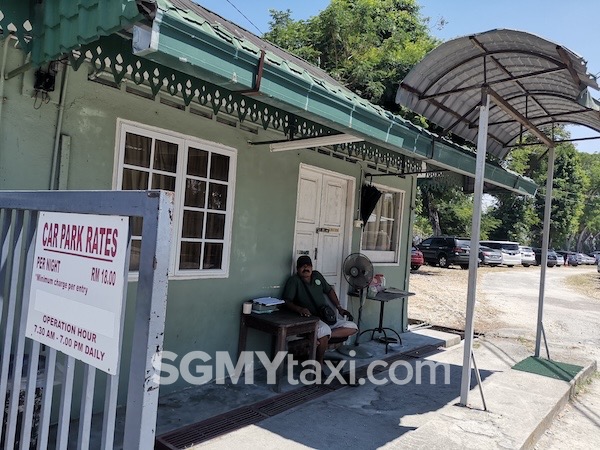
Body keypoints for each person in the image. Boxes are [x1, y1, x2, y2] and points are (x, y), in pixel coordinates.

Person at [282, 255, 358, 365]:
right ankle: (319, 363)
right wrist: (300, 309)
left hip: (326, 316)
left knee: (353, 327)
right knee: (324, 331)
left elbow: (329, 290)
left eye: (308, 266)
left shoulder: (317, 276)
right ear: (297, 269)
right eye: (302, 267)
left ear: (312, 267)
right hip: (310, 319)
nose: (306, 268)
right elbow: (287, 301)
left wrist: (339, 308)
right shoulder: (294, 281)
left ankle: (325, 336)